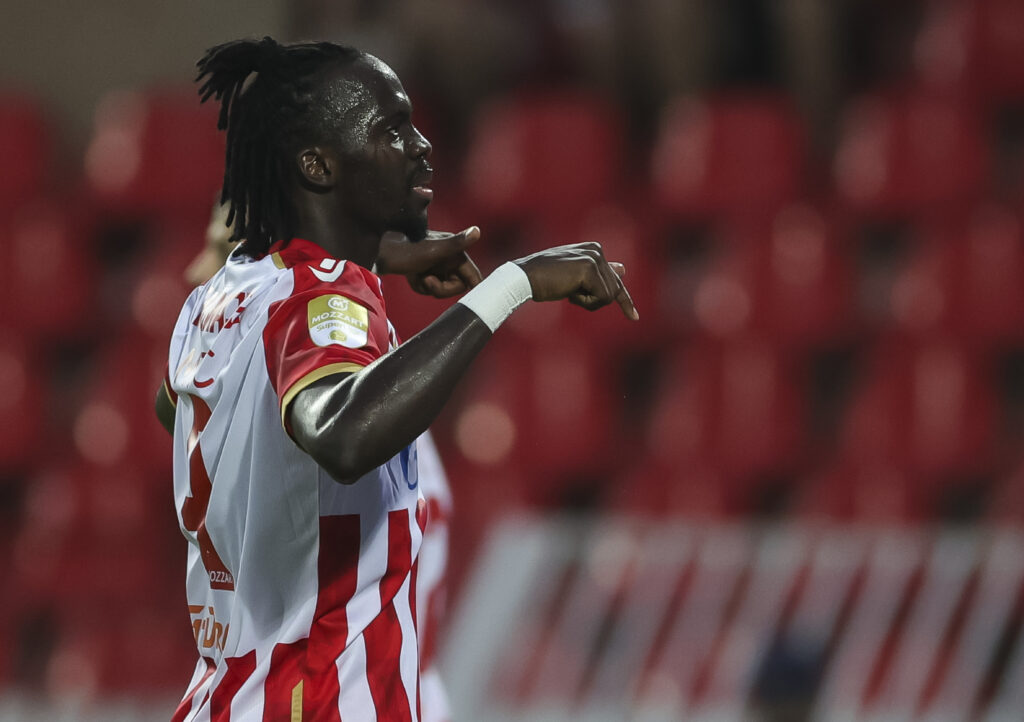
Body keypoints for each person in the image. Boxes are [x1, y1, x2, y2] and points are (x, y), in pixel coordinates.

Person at [157, 36, 636, 721]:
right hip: (320, 700)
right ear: (318, 165)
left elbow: (178, 410)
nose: (421, 146)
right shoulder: (321, 295)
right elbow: (343, 433)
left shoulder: (219, 297)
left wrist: (378, 258)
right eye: (389, 130)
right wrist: (514, 284)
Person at [183, 198, 457, 722]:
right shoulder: (259, 409)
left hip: (331, 695)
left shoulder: (360, 430)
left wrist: (507, 290)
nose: (201, 276)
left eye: (226, 254)